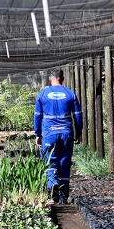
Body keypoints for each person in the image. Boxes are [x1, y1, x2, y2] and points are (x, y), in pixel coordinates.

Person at [34, 68, 83, 203]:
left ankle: (52, 184)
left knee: (50, 162)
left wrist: (37, 134)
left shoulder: (43, 94)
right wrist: (79, 133)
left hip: (50, 134)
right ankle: (63, 196)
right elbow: (78, 116)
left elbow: (37, 116)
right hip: (67, 134)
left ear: (51, 78)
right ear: (63, 78)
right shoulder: (70, 94)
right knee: (64, 164)